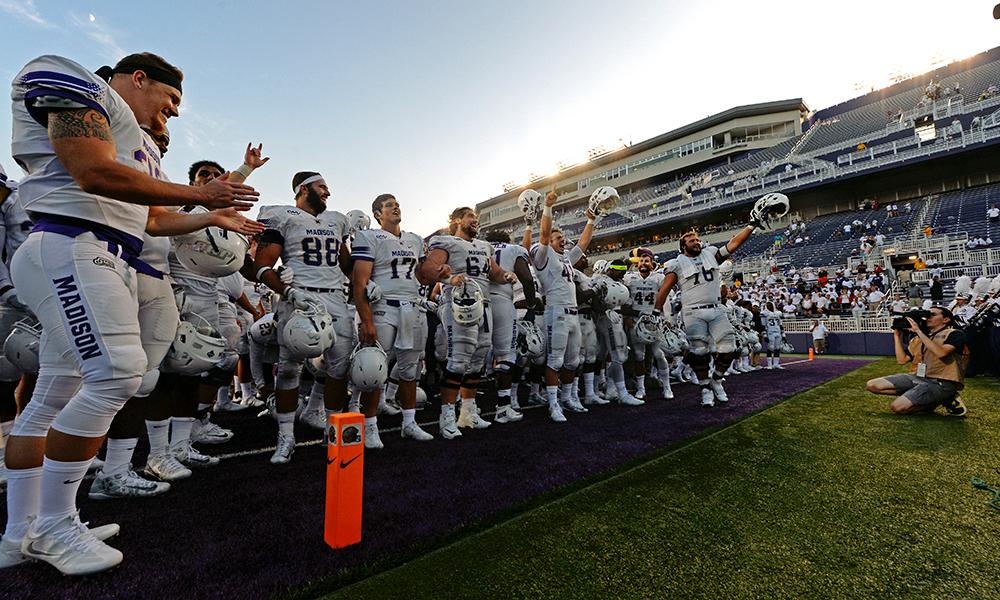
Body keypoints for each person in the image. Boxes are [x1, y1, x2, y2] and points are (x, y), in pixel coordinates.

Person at [2, 52, 257, 576]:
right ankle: (55, 525)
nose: (175, 113)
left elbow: (155, 220)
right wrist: (201, 191)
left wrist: (208, 211)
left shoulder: (137, 141)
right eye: (171, 99)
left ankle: (19, 531)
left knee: (56, 392)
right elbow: (92, 171)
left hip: (98, 251)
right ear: (138, 79)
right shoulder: (76, 82)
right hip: (73, 245)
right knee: (117, 374)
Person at [253, 172, 356, 463]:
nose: (328, 192)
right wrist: (286, 290)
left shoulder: (335, 221)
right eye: (322, 186)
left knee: (339, 367)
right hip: (299, 297)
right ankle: (286, 437)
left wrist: (365, 280)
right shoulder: (282, 216)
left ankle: (331, 431)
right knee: (288, 368)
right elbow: (262, 265)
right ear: (303, 189)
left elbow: (346, 262)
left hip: (335, 297)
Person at [352, 194, 434, 447]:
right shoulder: (369, 236)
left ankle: (409, 423)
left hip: (412, 307)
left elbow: (422, 277)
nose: (396, 207)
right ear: (377, 214)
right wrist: (366, 319)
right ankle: (370, 425)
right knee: (374, 368)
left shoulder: (415, 240)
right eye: (389, 205)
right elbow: (359, 280)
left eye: (397, 204)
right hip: (383, 307)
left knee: (410, 370)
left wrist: (439, 272)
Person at [655, 214, 757, 408]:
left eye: (697, 239)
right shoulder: (676, 263)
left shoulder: (710, 253)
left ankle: (716, 380)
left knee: (729, 349)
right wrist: (656, 311)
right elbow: (665, 289)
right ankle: (704, 389)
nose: (697, 242)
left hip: (716, 308)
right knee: (699, 352)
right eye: (691, 240)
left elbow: (734, 244)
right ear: (683, 246)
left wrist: (751, 225)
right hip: (693, 312)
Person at [529, 190, 596, 421]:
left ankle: (568, 398)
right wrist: (547, 207)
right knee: (555, 360)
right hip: (555, 312)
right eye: (559, 238)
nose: (563, 240)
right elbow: (545, 235)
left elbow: (583, 243)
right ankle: (553, 403)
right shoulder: (542, 256)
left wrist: (591, 219)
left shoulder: (565, 258)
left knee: (573, 361)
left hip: (573, 313)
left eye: (563, 238)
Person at [865, 307, 968, 416]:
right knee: (872, 385)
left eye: (932, 315)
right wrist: (896, 335)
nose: (928, 317)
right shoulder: (919, 338)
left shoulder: (955, 334)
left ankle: (945, 398)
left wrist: (918, 330)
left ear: (946, 320)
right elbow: (902, 360)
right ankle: (926, 398)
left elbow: (941, 353)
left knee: (897, 407)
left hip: (941, 382)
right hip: (919, 377)